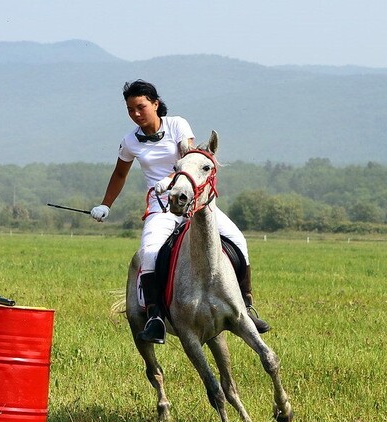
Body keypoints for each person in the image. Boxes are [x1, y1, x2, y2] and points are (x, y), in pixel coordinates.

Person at [91, 80, 269, 344]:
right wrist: (106, 204)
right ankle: (154, 317)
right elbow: (119, 174)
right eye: (130, 110)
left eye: (141, 107)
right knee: (149, 253)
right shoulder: (129, 141)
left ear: (155, 104)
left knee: (238, 240)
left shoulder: (177, 125)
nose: (136, 114)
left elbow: (189, 156)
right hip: (160, 208)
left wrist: (173, 181)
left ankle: (246, 304)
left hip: (191, 202)